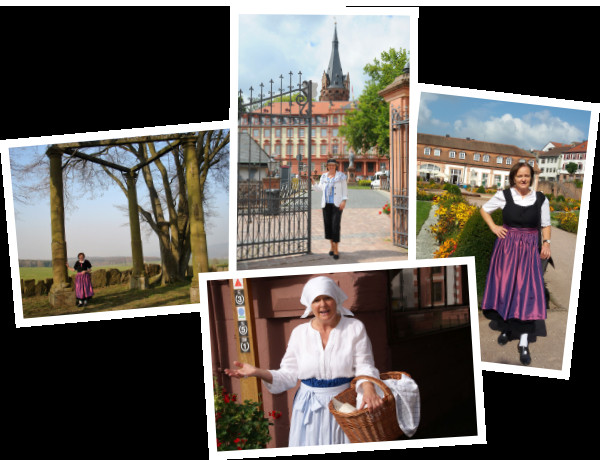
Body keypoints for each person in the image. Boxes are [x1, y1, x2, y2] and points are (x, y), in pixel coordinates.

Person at [225, 276, 384, 447]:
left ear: (336, 299)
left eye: (327, 298)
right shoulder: (299, 333)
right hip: (308, 409)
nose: (322, 304)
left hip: (344, 405)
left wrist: (368, 389)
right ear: (310, 304)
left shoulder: (354, 328)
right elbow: (287, 375)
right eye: (316, 300)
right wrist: (256, 372)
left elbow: (364, 365)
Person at [479, 163, 551, 366]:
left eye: (527, 176)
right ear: (513, 178)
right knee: (506, 289)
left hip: (529, 249)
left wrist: (546, 243)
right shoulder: (504, 195)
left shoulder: (540, 199)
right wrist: (494, 227)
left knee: (526, 292)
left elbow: (546, 224)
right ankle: (507, 329)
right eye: (519, 176)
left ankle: (524, 342)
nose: (523, 179)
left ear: (531, 178)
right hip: (507, 249)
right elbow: (484, 210)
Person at [311, 158, 348, 260]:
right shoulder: (323, 177)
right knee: (328, 226)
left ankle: (336, 249)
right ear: (327, 166)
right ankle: (331, 246)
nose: (331, 167)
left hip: (337, 204)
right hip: (326, 205)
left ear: (336, 166)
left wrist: (344, 201)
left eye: (333, 165)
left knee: (335, 226)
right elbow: (320, 189)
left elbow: (345, 190)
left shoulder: (341, 176)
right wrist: (313, 183)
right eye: (329, 165)